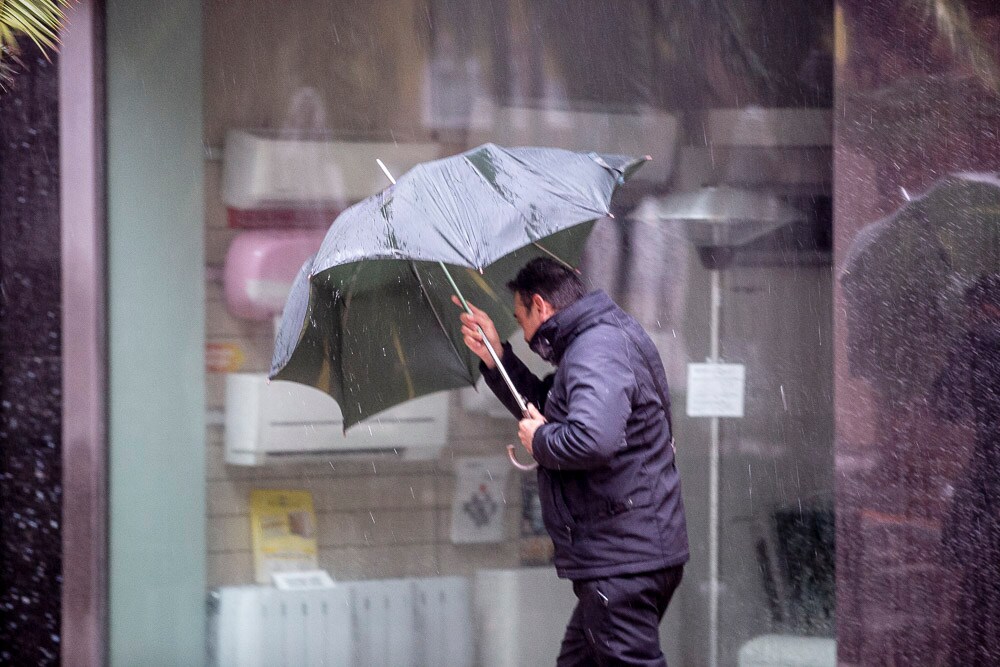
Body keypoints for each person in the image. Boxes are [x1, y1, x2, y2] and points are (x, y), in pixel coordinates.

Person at [454, 257, 689, 666]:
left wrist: (541, 440)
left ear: (541, 306)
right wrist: (497, 358)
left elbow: (592, 439)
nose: (524, 333)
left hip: (621, 560)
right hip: (627, 552)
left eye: (519, 318)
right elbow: (552, 407)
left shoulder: (595, 349)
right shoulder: (597, 344)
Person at [932, 274, 1000, 665]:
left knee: (977, 589)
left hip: (987, 480)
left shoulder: (974, 343)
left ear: (978, 306)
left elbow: (946, 408)